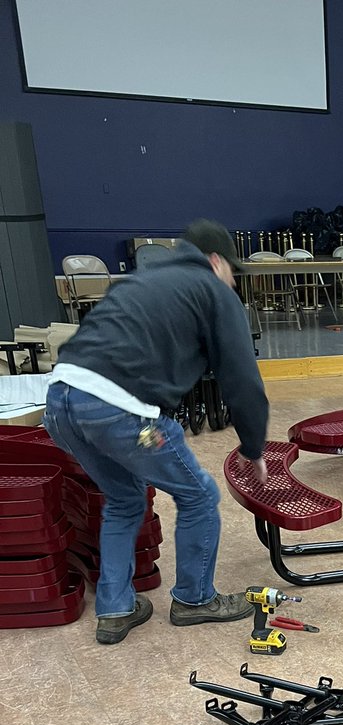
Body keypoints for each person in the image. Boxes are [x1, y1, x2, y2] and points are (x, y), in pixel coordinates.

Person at [43, 219, 269, 644]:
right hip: (121, 411)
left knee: (125, 499)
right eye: (233, 272)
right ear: (216, 261)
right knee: (199, 494)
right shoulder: (213, 290)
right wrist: (253, 445)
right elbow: (241, 378)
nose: (233, 282)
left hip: (60, 402)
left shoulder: (139, 280)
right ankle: (195, 600)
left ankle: (115, 609)